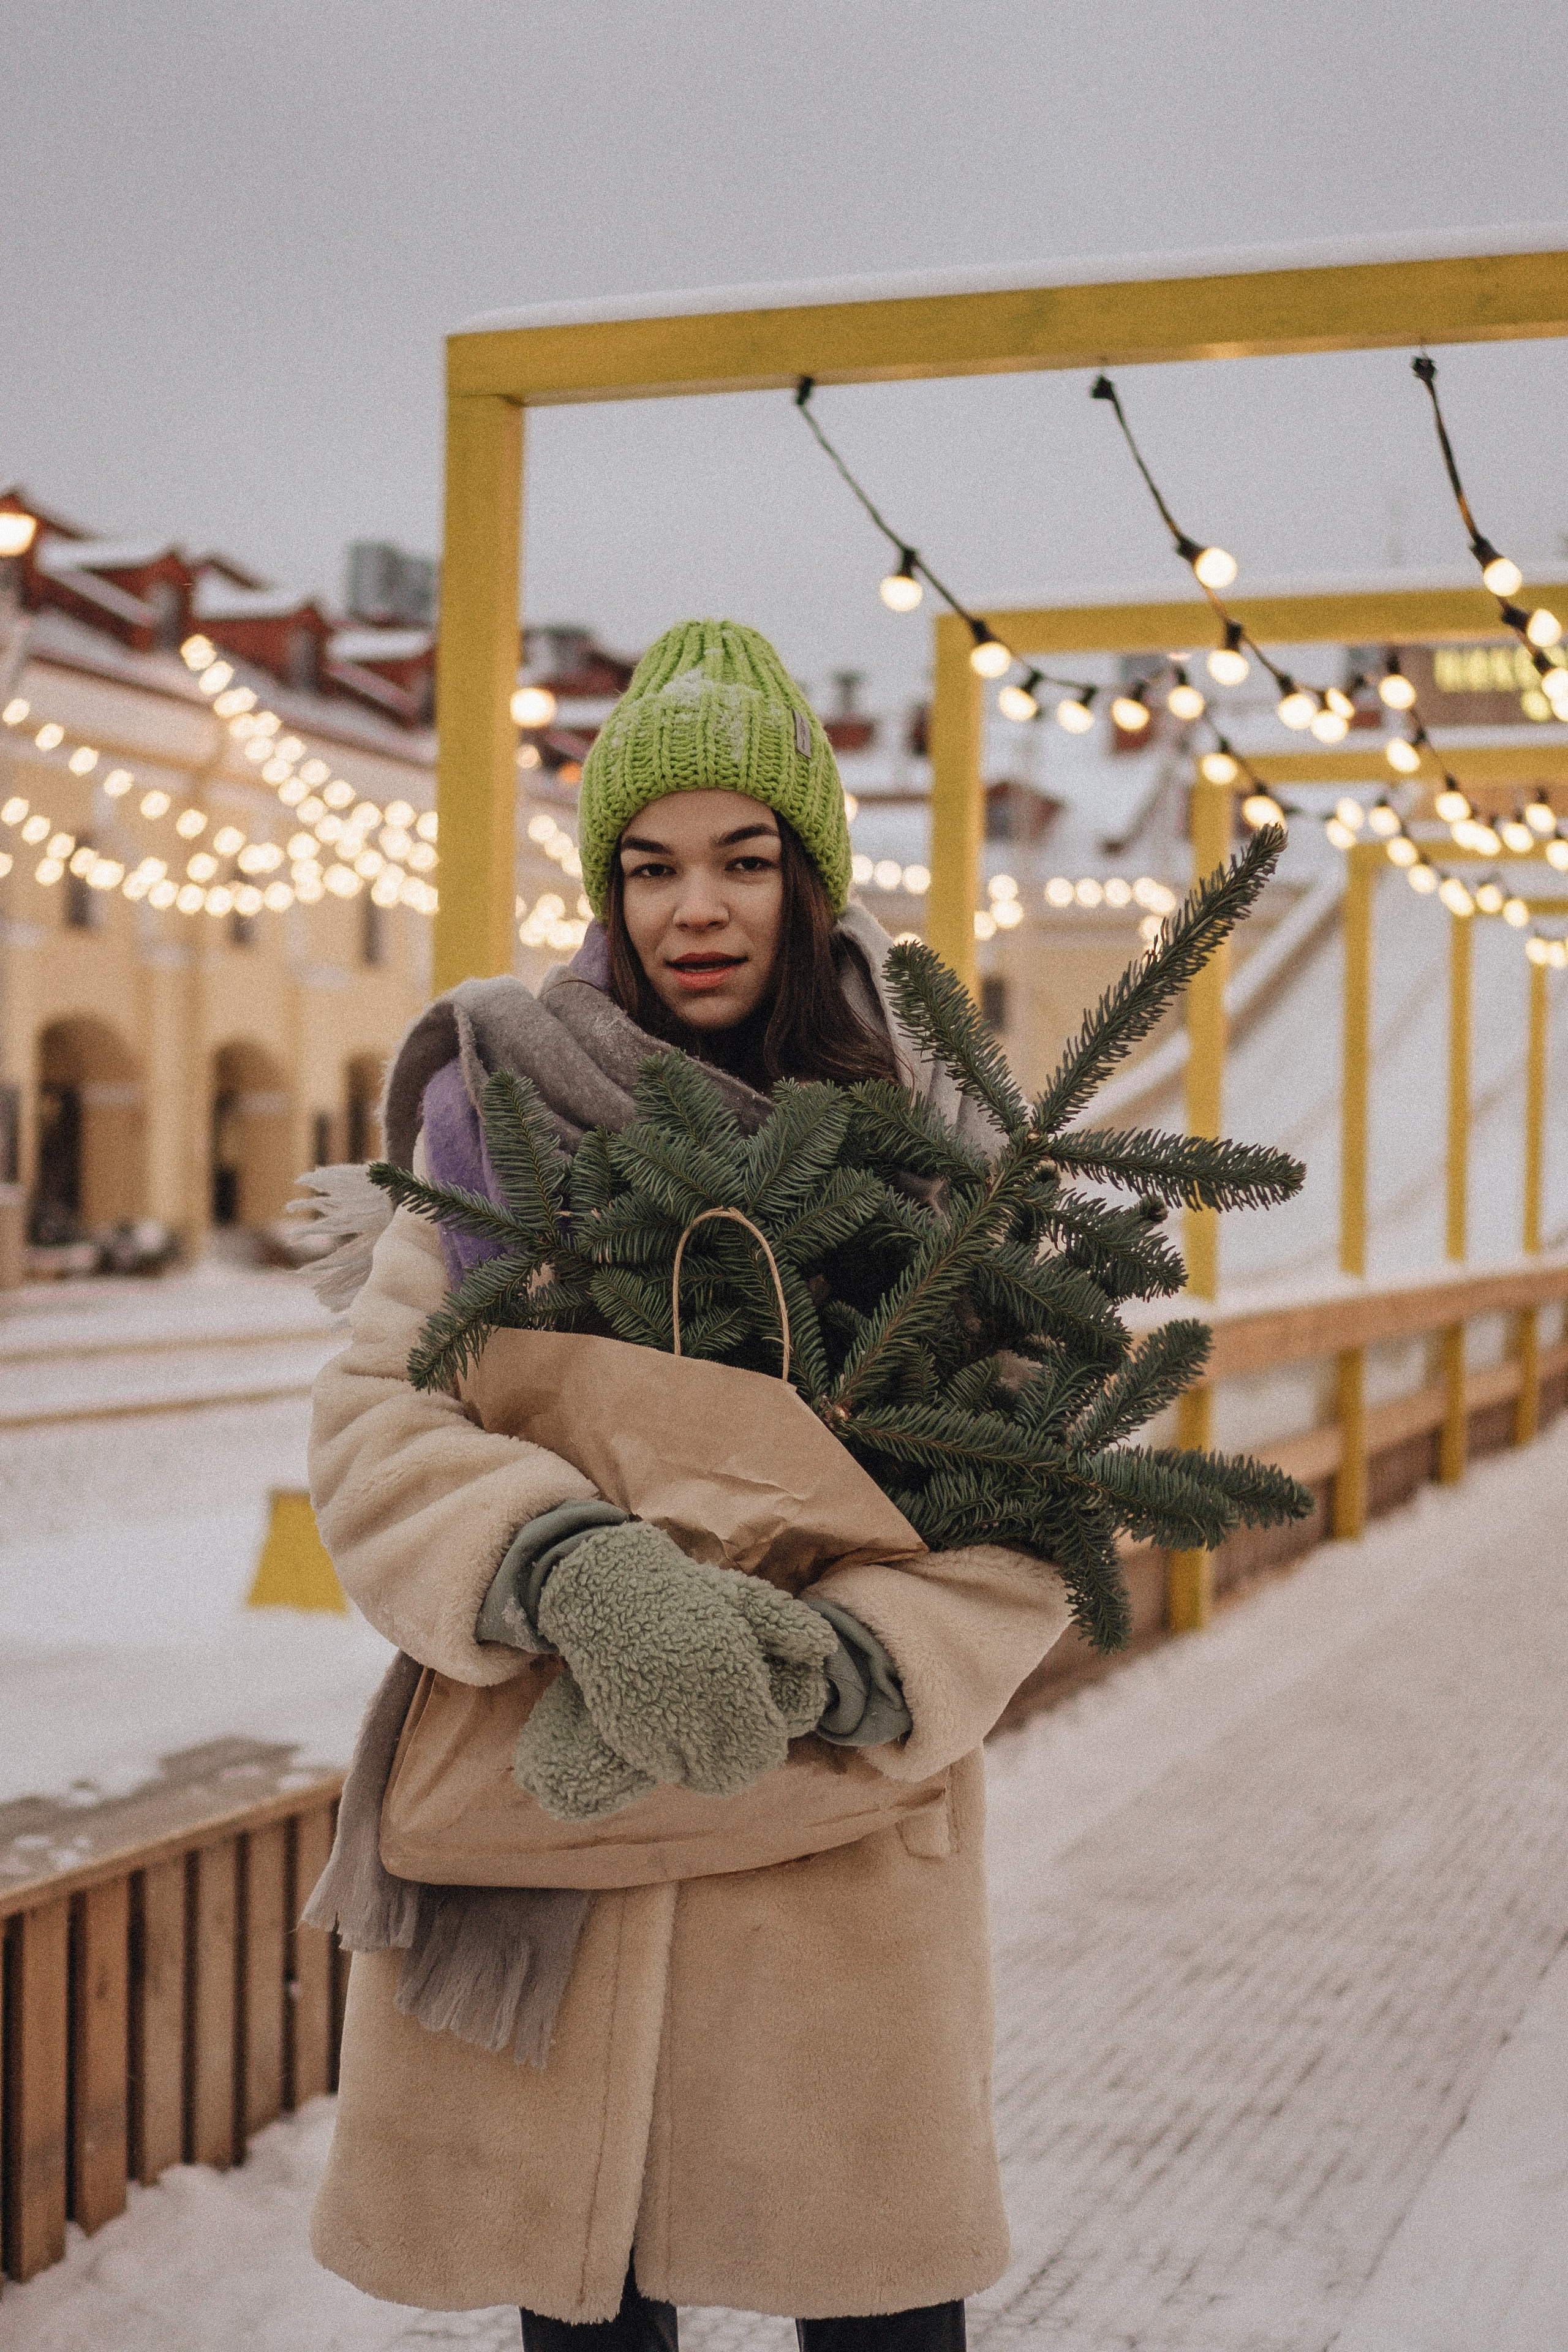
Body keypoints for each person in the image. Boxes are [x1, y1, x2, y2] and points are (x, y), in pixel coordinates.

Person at [306, 619, 1071, 2350]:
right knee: (586, 2303)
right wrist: (561, 1564)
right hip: (555, 1817)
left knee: (873, 2306)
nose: (693, 909)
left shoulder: (939, 1134)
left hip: (832, 1825)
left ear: (810, 875)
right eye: (648, 868)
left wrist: (862, 1659)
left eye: (741, 860)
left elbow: (1038, 1488)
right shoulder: (501, 1119)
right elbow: (375, 1421)